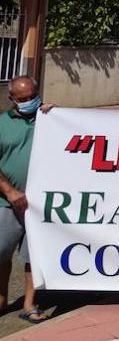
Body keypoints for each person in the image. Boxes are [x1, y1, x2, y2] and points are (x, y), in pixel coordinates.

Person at [0, 77, 53, 322]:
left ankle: (30, 304)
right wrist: (10, 192)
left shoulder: (48, 119)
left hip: (39, 204)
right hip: (6, 203)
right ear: (12, 99)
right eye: (23, 99)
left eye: (33, 96)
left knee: (34, 256)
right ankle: (1, 298)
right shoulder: (2, 124)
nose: (30, 101)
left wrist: (57, 114)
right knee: (2, 253)